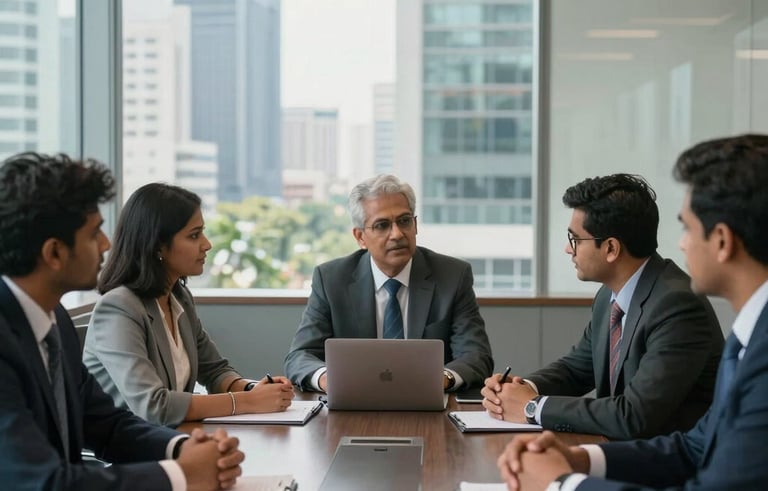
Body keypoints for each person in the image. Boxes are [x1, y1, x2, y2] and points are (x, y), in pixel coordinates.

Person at [497, 134, 768, 491]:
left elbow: (636, 416)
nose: (682, 243)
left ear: (721, 240)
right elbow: (694, 447)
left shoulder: (680, 304)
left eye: (687, 228)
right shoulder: (747, 336)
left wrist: (560, 482)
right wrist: (580, 459)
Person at [0, 152, 244, 490]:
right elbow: (43, 482)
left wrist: (183, 448)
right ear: (54, 253)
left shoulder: (54, 322)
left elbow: (108, 425)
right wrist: (181, 474)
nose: (107, 243)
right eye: (94, 233)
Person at [482, 174, 723, 440]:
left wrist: (532, 407)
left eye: (575, 239)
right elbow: (577, 369)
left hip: (671, 467)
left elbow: (634, 415)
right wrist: (519, 388)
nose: (567, 249)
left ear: (611, 248)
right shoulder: (610, 294)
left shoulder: (677, 306)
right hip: (624, 451)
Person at [83, 183, 294, 427]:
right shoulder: (119, 308)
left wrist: (255, 389)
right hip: (129, 448)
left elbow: (214, 371)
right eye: (194, 235)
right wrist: (247, 401)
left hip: (172, 436)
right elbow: (154, 406)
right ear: (158, 246)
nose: (207, 244)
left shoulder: (178, 297)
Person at [284, 174, 493, 392]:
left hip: (430, 407)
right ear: (360, 237)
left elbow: (476, 356)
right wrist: (328, 379)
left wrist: (442, 378)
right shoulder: (331, 279)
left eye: (404, 221)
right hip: (353, 404)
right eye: (382, 225)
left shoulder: (452, 276)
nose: (397, 234)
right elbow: (300, 355)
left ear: (416, 225)